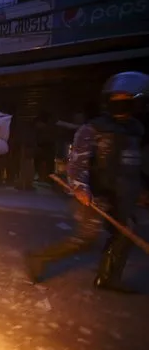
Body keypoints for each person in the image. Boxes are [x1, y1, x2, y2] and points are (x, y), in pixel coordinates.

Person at [24, 71, 149, 293]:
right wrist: (80, 187)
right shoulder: (93, 128)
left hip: (123, 194)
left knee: (125, 234)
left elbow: (135, 163)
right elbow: (78, 162)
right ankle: (37, 257)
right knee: (86, 239)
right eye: (117, 100)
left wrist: (141, 188)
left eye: (127, 100)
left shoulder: (136, 130)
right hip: (97, 194)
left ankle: (108, 277)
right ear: (109, 100)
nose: (121, 105)